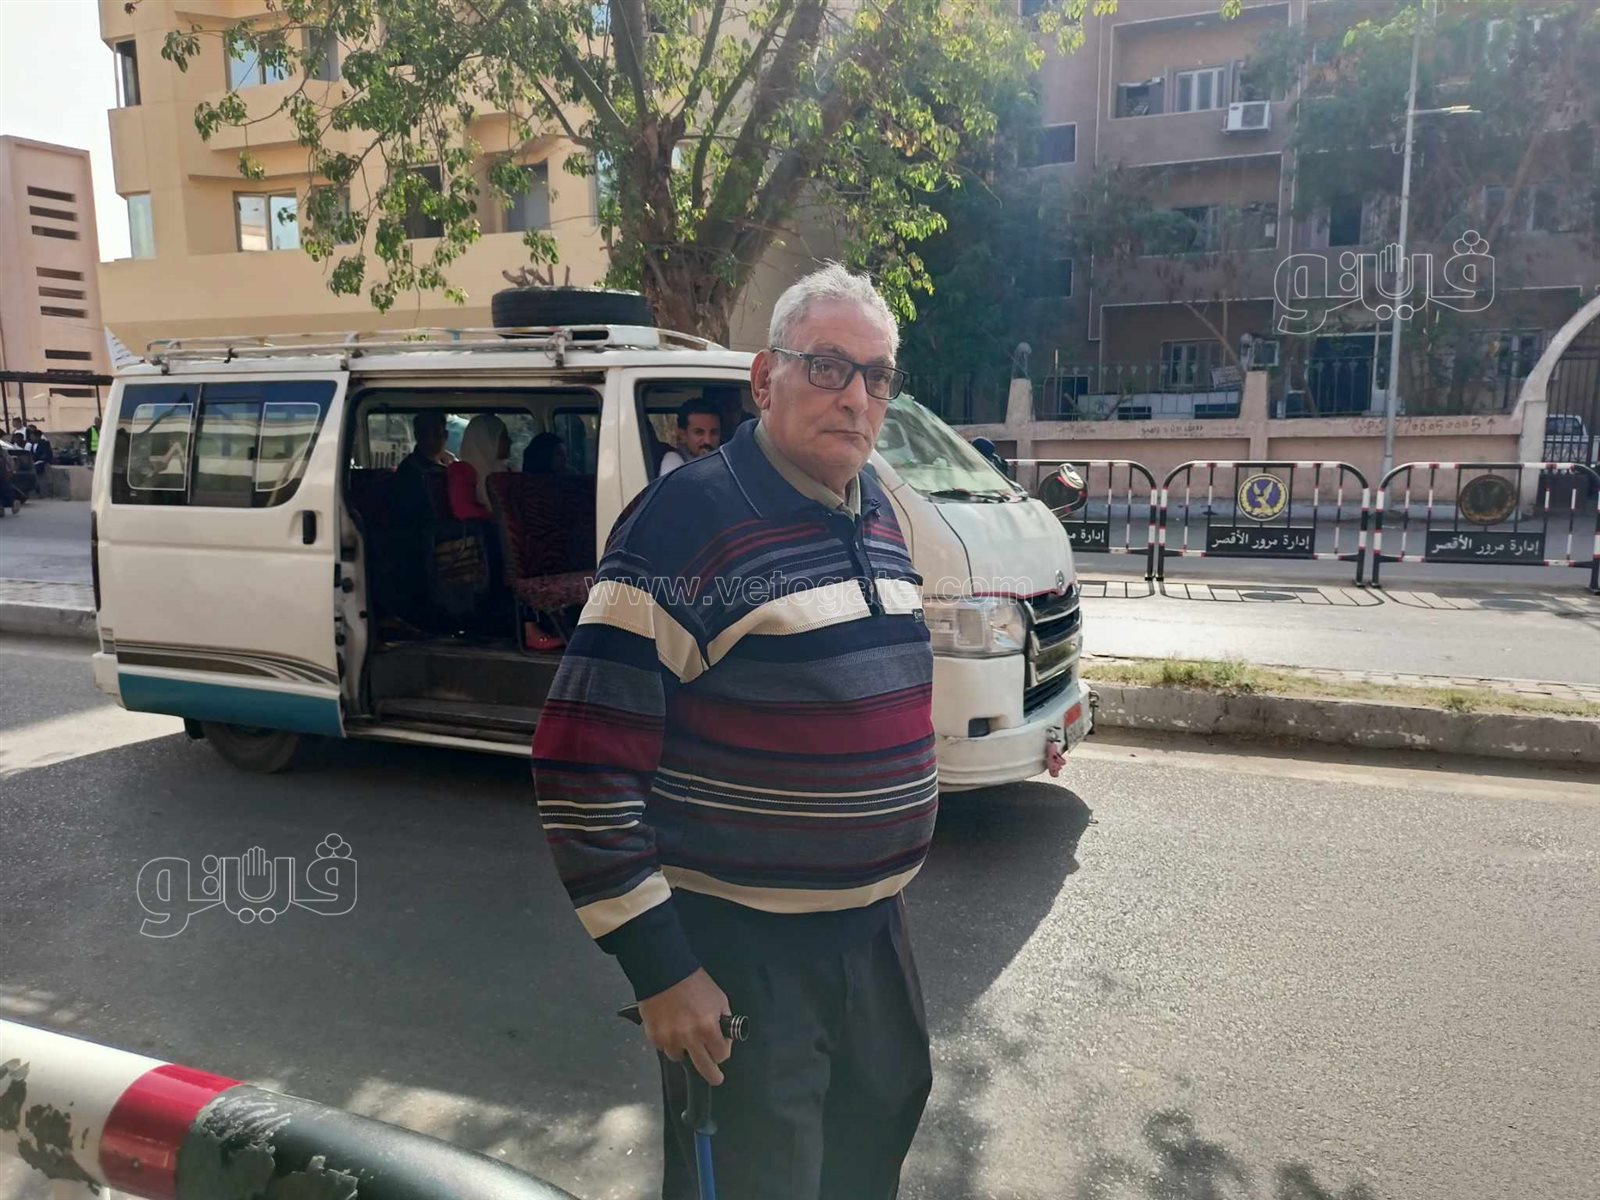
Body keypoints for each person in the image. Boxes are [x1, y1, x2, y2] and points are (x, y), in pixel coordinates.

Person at [532, 263, 933, 1200]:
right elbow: (581, 763)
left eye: (877, 376)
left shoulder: (876, 509)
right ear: (765, 378)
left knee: (867, 1160)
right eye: (828, 366)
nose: (856, 396)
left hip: (875, 940)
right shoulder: (686, 521)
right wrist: (662, 971)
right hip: (744, 954)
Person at [456, 413, 515, 509]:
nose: (510, 441)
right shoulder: (462, 476)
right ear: (486, 442)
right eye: (504, 438)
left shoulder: (511, 471)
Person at [657, 398, 724, 475]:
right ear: (682, 435)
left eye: (714, 432)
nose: (708, 441)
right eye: (699, 432)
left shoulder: (725, 461)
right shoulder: (673, 461)